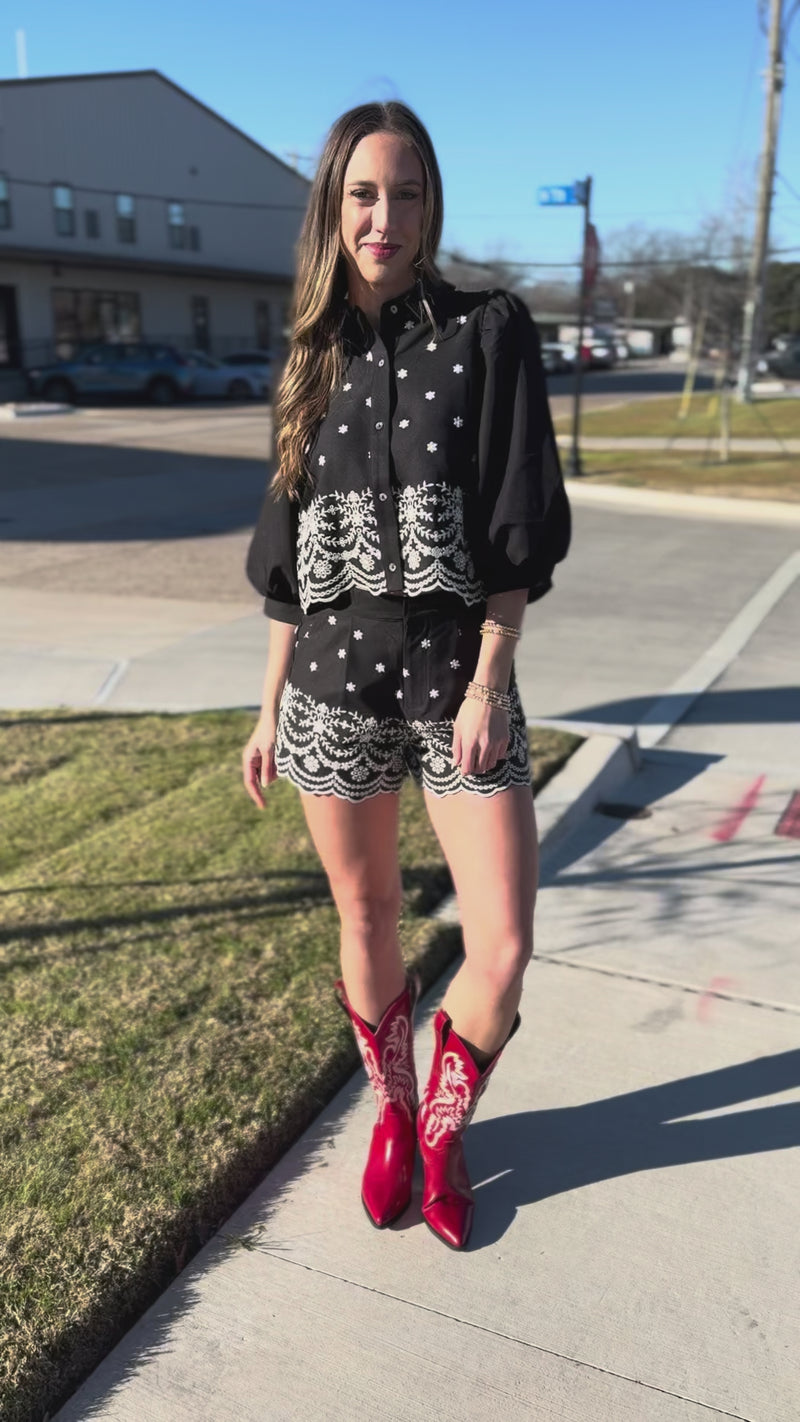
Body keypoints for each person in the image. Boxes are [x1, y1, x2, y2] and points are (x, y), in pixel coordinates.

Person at [242, 101, 570, 1250]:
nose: (386, 217)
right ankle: (388, 1112)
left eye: (408, 192)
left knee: (502, 944)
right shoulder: (309, 353)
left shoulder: (487, 331)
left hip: (457, 680)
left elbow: (518, 519)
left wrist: (490, 679)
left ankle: (443, 1115)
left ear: (433, 206)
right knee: (368, 910)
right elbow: (285, 559)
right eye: (364, 194)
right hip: (331, 684)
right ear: (334, 207)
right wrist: (266, 706)